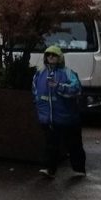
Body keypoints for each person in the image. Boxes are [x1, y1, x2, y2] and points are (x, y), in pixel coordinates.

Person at [32, 45, 85, 178]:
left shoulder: (68, 73)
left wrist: (59, 87)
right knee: (51, 145)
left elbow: (76, 89)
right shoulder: (40, 73)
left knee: (74, 144)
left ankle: (79, 169)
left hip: (68, 118)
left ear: (60, 57)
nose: (50, 57)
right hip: (49, 119)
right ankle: (49, 169)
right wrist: (40, 109)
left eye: (54, 55)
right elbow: (35, 92)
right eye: (48, 55)